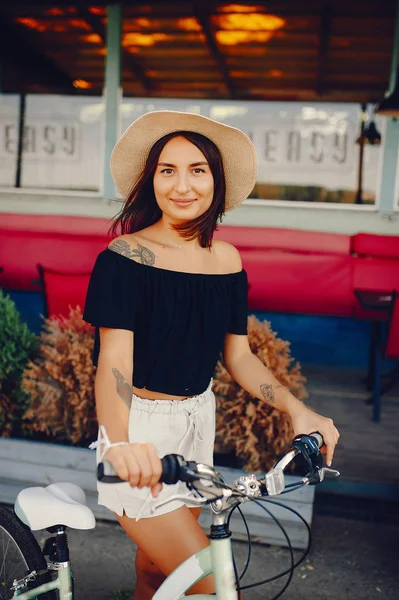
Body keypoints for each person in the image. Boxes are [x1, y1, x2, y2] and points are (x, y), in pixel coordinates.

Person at [83, 110, 340, 599]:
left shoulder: (226, 260)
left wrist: (298, 409)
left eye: (197, 169)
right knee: (213, 587)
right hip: (140, 431)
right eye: (168, 170)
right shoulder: (125, 258)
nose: (183, 185)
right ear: (151, 181)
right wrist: (120, 443)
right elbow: (114, 362)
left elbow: (238, 356)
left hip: (199, 421)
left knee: (157, 575)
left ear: (216, 182)